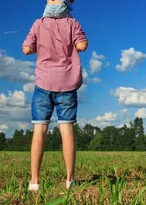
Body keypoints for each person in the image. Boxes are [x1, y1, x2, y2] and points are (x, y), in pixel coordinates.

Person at [22, 12, 88, 191]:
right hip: (66, 84)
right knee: (66, 130)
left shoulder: (38, 23)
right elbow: (82, 45)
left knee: (39, 130)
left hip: (43, 83)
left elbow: (26, 49)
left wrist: (42, 45)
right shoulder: (72, 22)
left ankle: (34, 182)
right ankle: (69, 180)